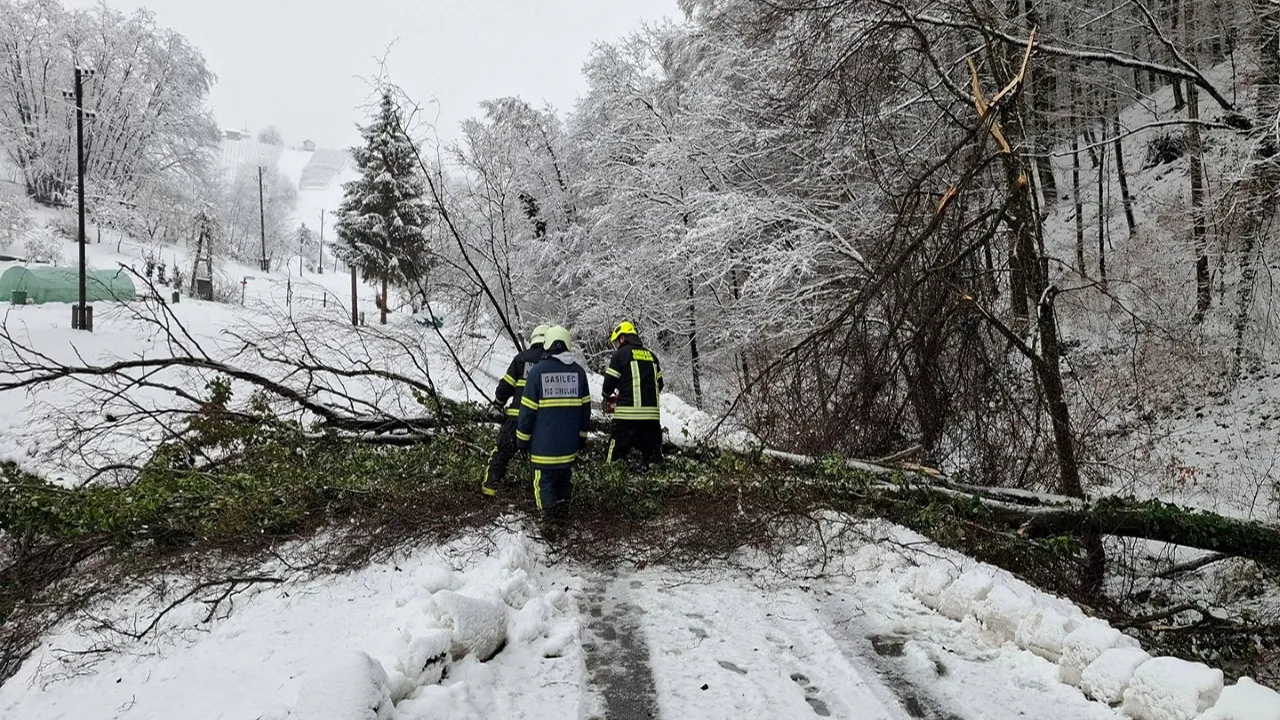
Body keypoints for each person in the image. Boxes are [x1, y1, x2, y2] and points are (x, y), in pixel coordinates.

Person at [515, 325, 592, 521]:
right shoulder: (579, 373)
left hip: (543, 451)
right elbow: (585, 411)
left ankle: (550, 524)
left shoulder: (537, 372)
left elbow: (527, 412)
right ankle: (563, 519)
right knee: (564, 483)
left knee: (544, 486)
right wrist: (581, 438)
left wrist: (522, 441)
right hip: (568, 450)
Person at [481, 324, 550, 496]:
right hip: (543, 421)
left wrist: (498, 402)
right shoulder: (552, 362)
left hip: (517, 418)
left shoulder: (521, 359)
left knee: (502, 451)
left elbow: (505, 387)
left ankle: (490, 487)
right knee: (541, 458)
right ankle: (537, 493)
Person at [601, 320, 664, 465]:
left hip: (627, 417)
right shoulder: (652, 356)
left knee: (615, 456)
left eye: (616, 342)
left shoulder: (620, 355)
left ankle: (612, 474)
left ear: (622, 338)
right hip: (651, 418)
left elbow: (608, 385)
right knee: (653, 459)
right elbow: (659, 385)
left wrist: (606, 396)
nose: (616, 345)